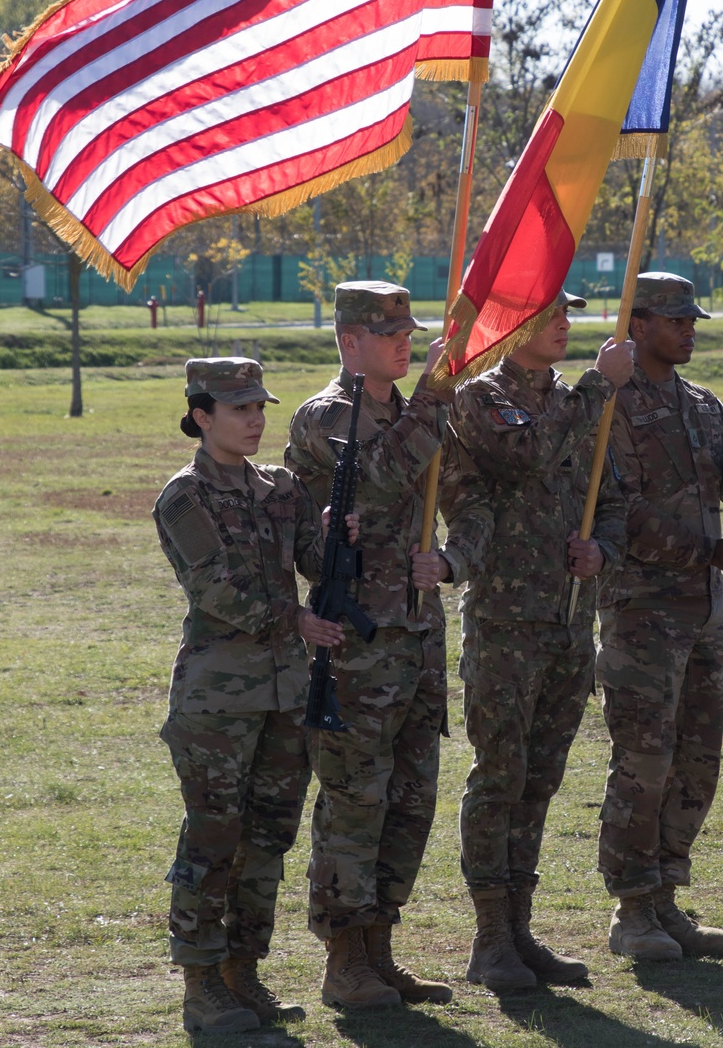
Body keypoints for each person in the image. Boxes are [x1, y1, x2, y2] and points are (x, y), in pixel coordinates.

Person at [439, 292, 634, 989]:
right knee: (500, 775)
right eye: (547, 311)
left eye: (566, 312)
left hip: (568, 621)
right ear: (510, 323)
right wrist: (594, 387)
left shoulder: (583, 405)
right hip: (504, 622)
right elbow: (527, 455)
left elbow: (611, 496)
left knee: (541, 779)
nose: (563, 323)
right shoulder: (479, 399)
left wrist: (601, 549)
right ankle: (490, 935)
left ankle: (520, 930)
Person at [154, 357, 348, 1035]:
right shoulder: (185, 497)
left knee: (267, 840)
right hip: (216, 701)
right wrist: (293, 619)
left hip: (284, 695)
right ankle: (201, 983)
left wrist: (338, 540)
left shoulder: (281, 488)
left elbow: (312, 566)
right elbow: (213, 590)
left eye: (260, 407)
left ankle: (243, 972)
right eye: (239, 409)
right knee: (212, 839)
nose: (255, 420)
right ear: (201, 416)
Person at [286, 281, 453, 1010]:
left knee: (411, 802)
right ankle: (344, 958)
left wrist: (443, 559)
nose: (403, 342)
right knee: (356, 799)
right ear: (349, 340)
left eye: (407, 331)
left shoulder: (405, 412)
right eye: (388, 333)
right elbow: (382, 479)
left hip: (416, 635)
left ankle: (381, 946)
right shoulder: (327, 417)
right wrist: (433, 403)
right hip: (357, 645)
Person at [598, 273, 723, 961]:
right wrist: (710, 550)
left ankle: (669, 894)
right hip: (643, 609)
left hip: (702, 611)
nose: (689, 330)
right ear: (637, 324)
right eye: (675, 320)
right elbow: (622, 511)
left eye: (691, 319)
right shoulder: (609, 404)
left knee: (697, 759)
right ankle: (632, 907)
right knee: (644, 760)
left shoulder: (700, 404)